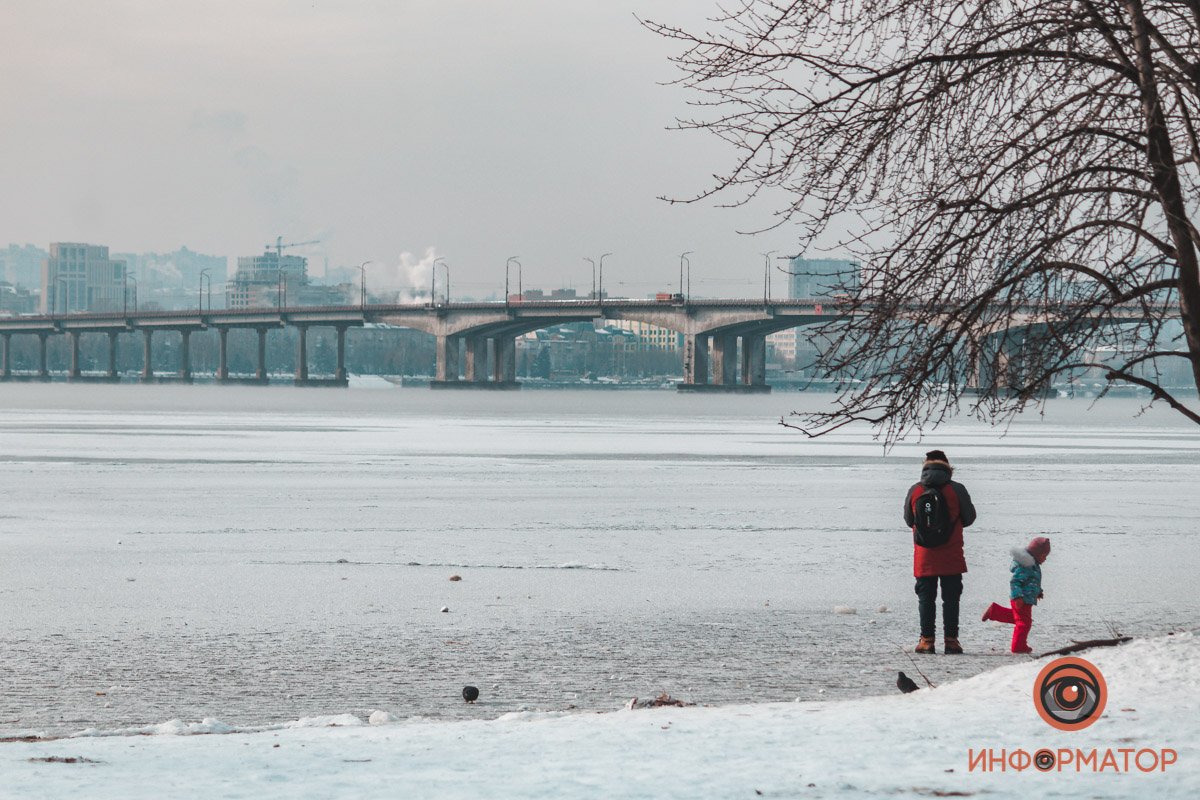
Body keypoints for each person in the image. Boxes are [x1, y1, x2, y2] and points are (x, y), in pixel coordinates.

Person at [903, 450, 977, 654]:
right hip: (951, 554)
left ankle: (927, 641)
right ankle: (951, 641)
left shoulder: (916, 490)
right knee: (951, 599)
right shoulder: (957, 489)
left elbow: (909, 520)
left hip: (924, 555)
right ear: (948, 467)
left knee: (926, 599)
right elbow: (970, 518)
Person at [982, 537, 1051, 654]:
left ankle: (995, 611)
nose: (1045, 559)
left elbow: (1033, 581)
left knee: (1019, 619)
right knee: (1024, 623)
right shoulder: (1025, 566)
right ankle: (1018, 646)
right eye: (1044, 556)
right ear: (1036, 554)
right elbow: (1015, 582)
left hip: (1027, 598)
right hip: (1021, 599)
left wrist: (1038, 591)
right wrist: (1018, 597)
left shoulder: (1033, 565)